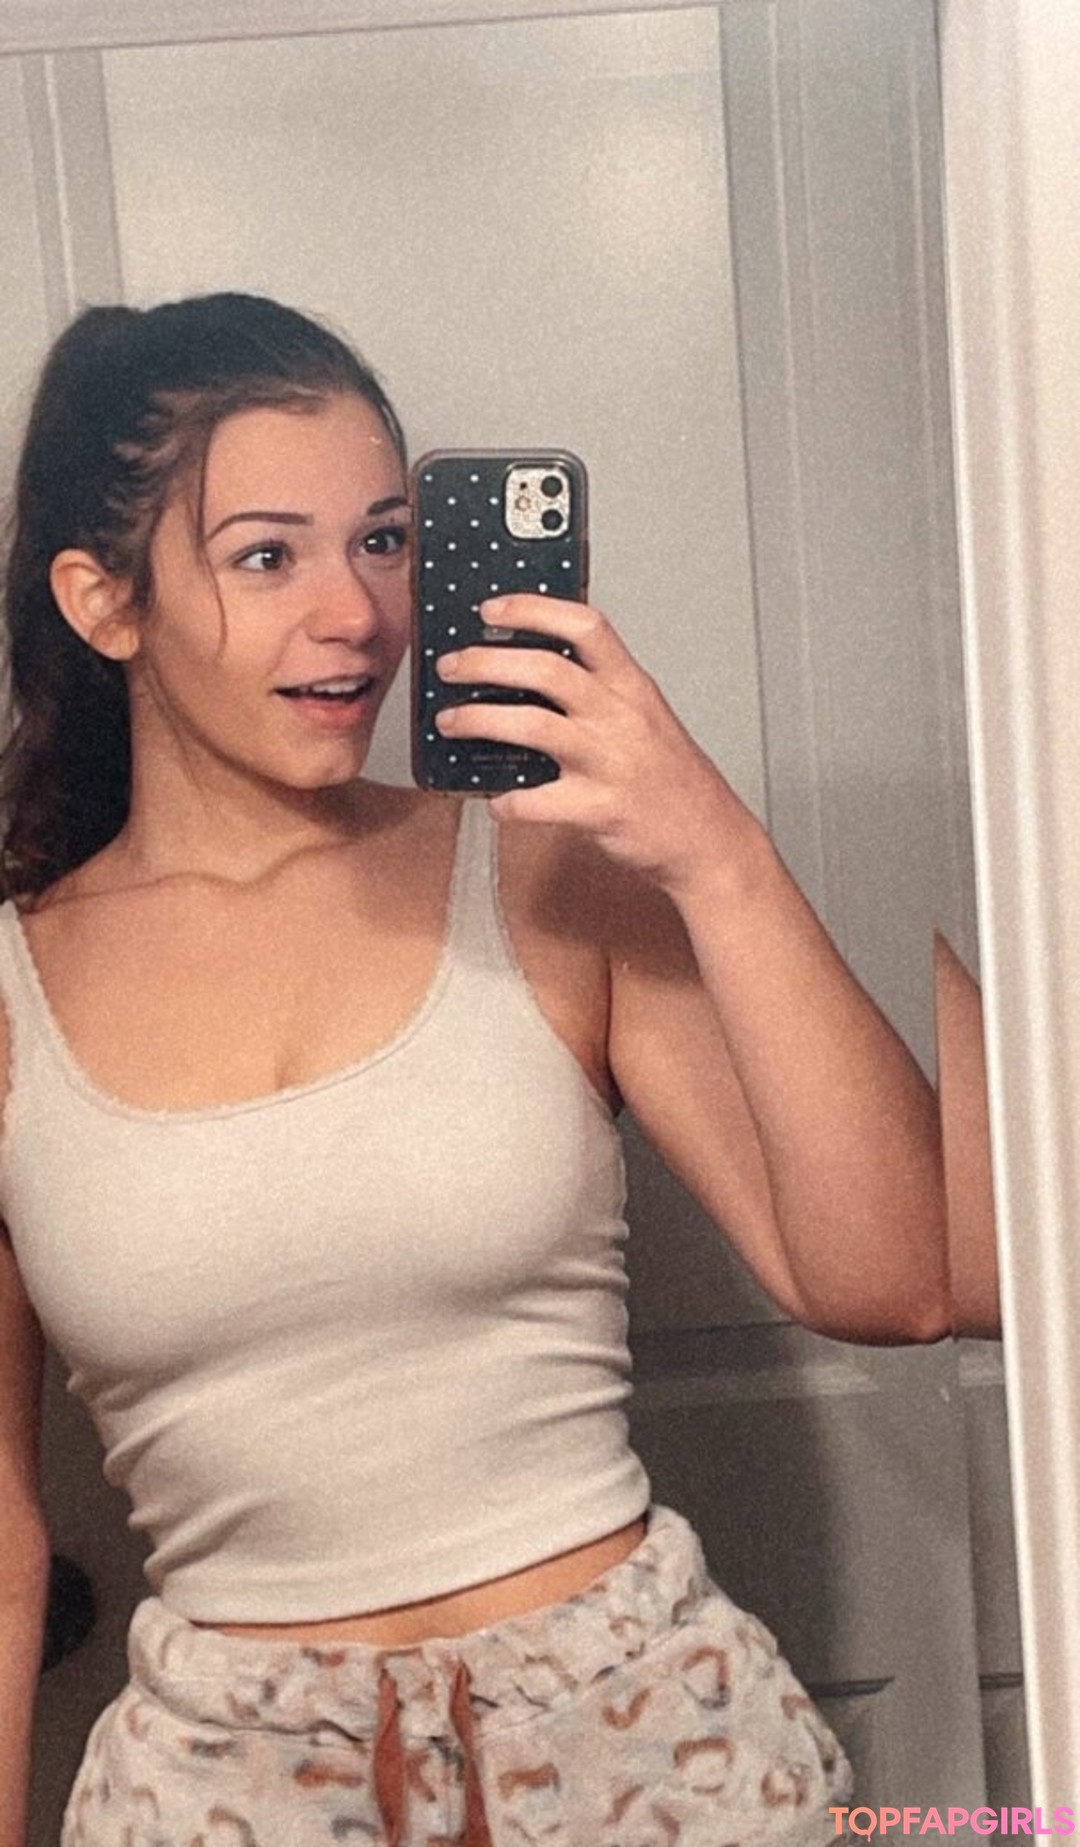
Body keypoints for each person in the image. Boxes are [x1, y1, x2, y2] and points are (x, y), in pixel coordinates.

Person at [0, 293, 948, 1847]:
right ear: (106, 604)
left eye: (384, 540)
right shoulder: (11, 997)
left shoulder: (543, 877)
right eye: (268, 556)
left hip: (658, 1763)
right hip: (223, 1795)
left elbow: (900, 1280)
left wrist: (717, 851)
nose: (358, 613)